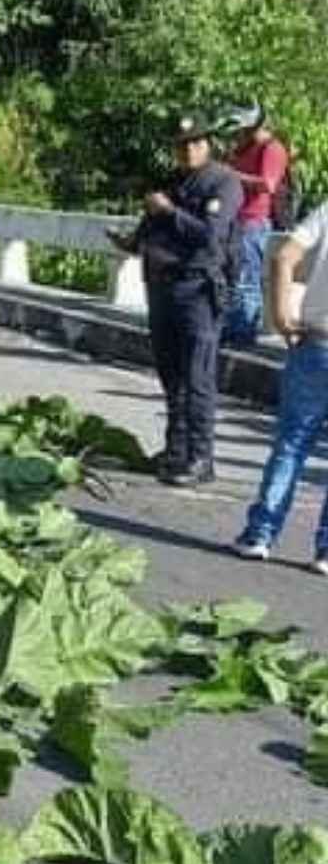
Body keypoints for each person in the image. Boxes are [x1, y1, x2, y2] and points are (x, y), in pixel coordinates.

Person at [106, 114, 242, 487]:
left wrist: (169, 210)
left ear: (207, 144)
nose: (188, 150)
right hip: (162, 286)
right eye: (182, 145)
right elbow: (151, 226)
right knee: (171, 375)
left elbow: (210, 236)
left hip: (197, 288)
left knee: (198, 377)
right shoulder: (172, 181)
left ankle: (202, 457)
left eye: (195, 143)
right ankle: (176, 450)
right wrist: (131, 242)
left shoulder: (224, 182)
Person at [233, 201, 328, 572]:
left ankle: (260, 535)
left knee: (291, 446)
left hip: (317, 343)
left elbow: (282, 257)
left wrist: (280, 317)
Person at [222, 103, 290, 347]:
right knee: (231, 278)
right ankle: (232, 328)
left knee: (247, 279)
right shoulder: (242, 147)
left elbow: (268, 185)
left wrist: (231, 175)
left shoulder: (272, 149)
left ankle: (243, 333)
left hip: (255, 221)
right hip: (235, 218)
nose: (239, 134)